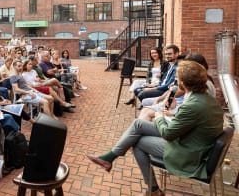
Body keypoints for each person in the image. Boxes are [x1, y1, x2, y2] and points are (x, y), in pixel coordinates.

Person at [86, 60, 224, 196]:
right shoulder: (206, 99)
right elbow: (186, 123)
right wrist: (171, 113)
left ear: (183, 82)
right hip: (193, 142)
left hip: (189, 154)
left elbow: (168, 134)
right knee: (138, 124)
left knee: (138, 143)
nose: (176, 81)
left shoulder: (193, 104)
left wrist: (158, 116)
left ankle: (153, 189)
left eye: (177, 78)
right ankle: (110, 158)